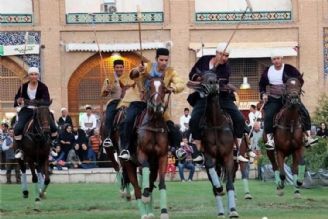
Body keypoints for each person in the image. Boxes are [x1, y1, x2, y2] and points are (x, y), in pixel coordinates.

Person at [118, 48, 185, 160]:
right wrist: (138, 70)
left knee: (171, 125)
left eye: (166, 60)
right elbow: (133, 74)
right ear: (156, 59)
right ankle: (126, 148)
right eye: (161, 60)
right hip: (141, 101)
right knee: (129, 120)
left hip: (158, 106)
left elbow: (181, 83)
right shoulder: (147, 66)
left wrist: (172, 88)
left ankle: (177, 149)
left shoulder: (170, 72)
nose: (164, 62)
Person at [188, 42, 250, 162]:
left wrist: (209, 77)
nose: (224, 58)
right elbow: (192, 74)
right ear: (217, 53)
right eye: (222, 55)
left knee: (239, 118)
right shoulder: (204, 60)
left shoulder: (226, 67)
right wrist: (199, 78)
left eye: (227, 56)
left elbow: (222, 81)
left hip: (221, 97)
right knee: (194, 119)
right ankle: (197, 149)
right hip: (203, 96)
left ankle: (237, 148)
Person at [259, 50, 318, 149]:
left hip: (290, 98)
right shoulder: (267, 70)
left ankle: (308, 136)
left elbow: (299, 79)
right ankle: (270, 139)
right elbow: (261, 84)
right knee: (268, 115)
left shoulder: (289, 68)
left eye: (278, 58)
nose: (276, 61)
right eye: (274, 59)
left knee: (304, 112)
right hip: (274, 98)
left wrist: (295, 90)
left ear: (281, 59)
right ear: (272, 61)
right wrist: (264, 94)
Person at [13, 67, 58, 159]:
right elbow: (17, 100)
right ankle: (20, 149)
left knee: (53, 127)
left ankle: (52, 146)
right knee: (18, 128)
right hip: (26, 110)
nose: (34, 76)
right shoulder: (23, 87)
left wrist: (33, 102)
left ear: (38, 76)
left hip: (40, 110)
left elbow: (46, 101)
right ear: (28, 76)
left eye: (35, 74)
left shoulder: (43, 87)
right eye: (31, 74)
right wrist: (19, 101)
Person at [101, 59, 127, 142]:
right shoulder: (109, 78)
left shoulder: (128, 77)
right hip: (115, 101)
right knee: (109, 117)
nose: (119, 69)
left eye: (121, 67)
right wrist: (106, 90)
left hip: (127, 102)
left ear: (123, 67)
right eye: (117, 67)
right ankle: (108, 137)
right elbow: (103, 94)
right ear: (114, 68)